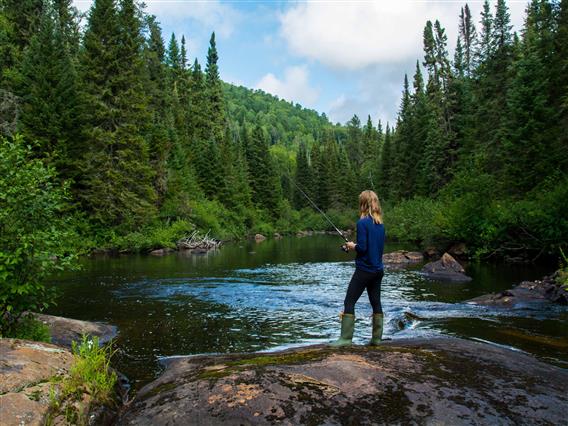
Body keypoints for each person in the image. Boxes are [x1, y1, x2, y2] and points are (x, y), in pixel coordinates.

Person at [330, 190, 385, 346]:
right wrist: (355, 245)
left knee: (349, 301)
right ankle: (376, 339)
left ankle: (345, 339)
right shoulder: (380, 224)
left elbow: (363, 248)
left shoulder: (362, 223)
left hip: (364, 270)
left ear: (363, 204)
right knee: (376, 302)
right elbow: (375, 247)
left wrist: (353, 246)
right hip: (378, 270)